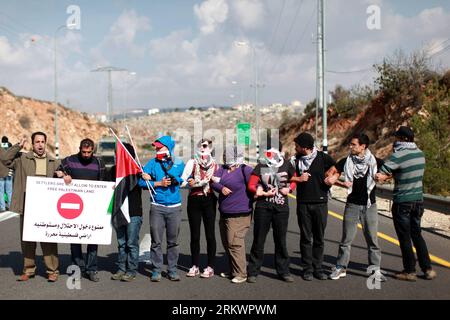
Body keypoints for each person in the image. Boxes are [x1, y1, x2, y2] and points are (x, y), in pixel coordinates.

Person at [375, 126, 437, 281]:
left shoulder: (399, 155)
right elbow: (405, 172)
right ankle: (428, 269)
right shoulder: (420, 154)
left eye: (397, 138)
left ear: (403, 139)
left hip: (403, 202)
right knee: (417, 235)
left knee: (404, 238)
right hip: (418, 201)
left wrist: (382, 177)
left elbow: (381, 174)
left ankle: (409, 271)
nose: (395, 141)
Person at [325, 133, 386, 281]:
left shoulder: (375, 161)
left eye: (353, 144)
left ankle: (375, 270)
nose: (350, 147)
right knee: (346, 239)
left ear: (363, 146)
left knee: (372, 240)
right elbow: (328, 174)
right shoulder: (346, 161)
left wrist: (384, 177)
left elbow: (390, 173)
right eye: (350, 144)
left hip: (370, 206)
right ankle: (341, 267)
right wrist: (337, 180)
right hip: (351, 205)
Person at [0, 132, 60, 282]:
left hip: (47, 207)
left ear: (45, 143)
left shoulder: (54, 162)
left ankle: (52, 270)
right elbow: (5, 159)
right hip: (27, 205)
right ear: (32, 144)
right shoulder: (22, 158)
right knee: (27, 240)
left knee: (48, 240)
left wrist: (63, 176)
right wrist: (18, 146)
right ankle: (28, 269)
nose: (40, 144)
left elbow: (64, 180)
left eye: (42, 142)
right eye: (37, 142)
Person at [57, 138, 107, 282]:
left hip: (93, 208)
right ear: (79, 149)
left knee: (93, 239)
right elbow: (58, 173)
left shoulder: (99, 163)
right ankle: (77, 268)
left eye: (89, 152)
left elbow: (103, 183)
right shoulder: (69, 161)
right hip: (74, 208)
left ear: (93, 151)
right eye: (83, 152)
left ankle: (91, 269)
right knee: (75, 239)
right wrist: (62, 175)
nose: (86, 155)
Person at [246, 142, 296, 283]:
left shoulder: (286, 164)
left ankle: (284, 271)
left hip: (281, 208)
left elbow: (295, 178)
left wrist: (290, 189)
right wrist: (258, 191)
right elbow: (251, 184)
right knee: (259, 240)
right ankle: (253, 272)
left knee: (280, 240)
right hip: (263, 207)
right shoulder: (261, 165)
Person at [139, 135, 185, 282]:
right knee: (156, 241)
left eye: (160, 147)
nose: (157, 149)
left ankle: (172, 270)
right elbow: (141, 182)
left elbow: (184, 180)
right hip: (157, 207)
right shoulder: (152, 163)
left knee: (173, 241)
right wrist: (157, 183)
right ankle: (156, 270)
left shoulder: (179, 163)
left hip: (174, 207)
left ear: (169, 148)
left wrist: (175, 180)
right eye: (156, 147)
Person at [290, 132, 335, 281]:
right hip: (303, 204)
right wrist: (298, 178)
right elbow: (284, 174)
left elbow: (337, 167)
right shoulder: (294, 160)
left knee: (319, 238)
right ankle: (307, 269)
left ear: (304, 147)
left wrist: (332, 177)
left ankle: (318, 268)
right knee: (305, 238)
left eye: (297, 145)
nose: (295, 147)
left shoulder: (323, 157)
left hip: (321, 203)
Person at [211, 145, 253, 284]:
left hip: (239, 213)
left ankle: (241, 273)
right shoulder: (222, 169)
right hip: (225, 212)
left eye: (226, 155)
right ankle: (233, 270)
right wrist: (221, 188)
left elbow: (254, 185)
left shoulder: (245, 170)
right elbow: (213, 182)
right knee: (227, 243)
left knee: (235, 243)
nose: (224, 157)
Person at [181, 139, 218, 278]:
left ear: (210, 148)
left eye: (205, 146)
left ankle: (210, 266)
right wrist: (190, 183)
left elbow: (221, 181)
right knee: (195, 235)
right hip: (194, 199)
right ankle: (194, 265)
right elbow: (182, 180)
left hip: (209, 199)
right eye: (200, 146)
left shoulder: (215, 164)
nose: (202, 148)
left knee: (210, 235)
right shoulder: (192, 162)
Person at [110, 143, 143, 282]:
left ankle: (131, 270)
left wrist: (145, 176)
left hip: (133, 213)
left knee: (131, 243)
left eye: (122, 154)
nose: (118, 157)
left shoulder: (137, 171)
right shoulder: (112, 171)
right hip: (119, 212)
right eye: (117, 154)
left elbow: (147, 184)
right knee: (121, 243)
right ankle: (121, 268)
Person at [0, 136, 13, 212]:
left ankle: (2, 207)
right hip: (9, 172)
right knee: (9, 191)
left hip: (1, 173)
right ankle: (11, 206)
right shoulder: (10, 147)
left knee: (1, 191)